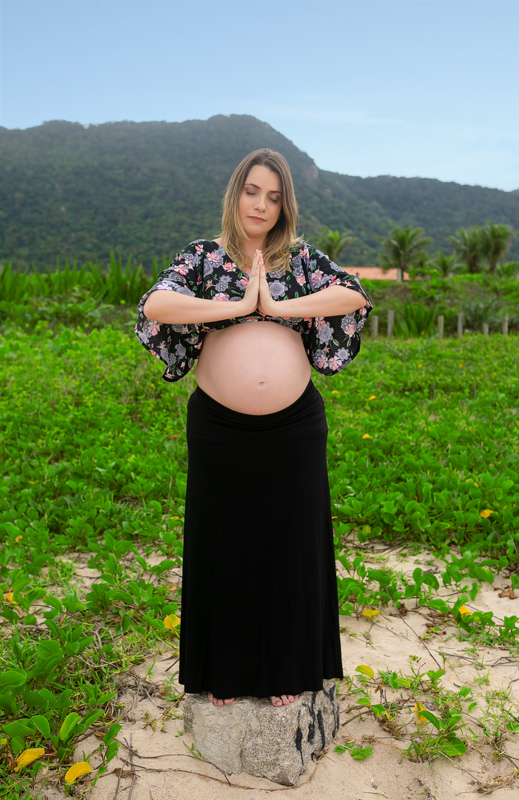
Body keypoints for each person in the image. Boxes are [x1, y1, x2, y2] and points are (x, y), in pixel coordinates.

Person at [135, 148, 373, 709]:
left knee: (291, 543)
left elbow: (355, 295)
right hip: (220, 426)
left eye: (273, 196)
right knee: (225, 542)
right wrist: (238, 303)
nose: (261, 205)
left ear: (284, 204)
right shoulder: (202, 256)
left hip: (294, 426)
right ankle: (222, 669)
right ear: (235, 193)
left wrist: (278, 305)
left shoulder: (301, 260)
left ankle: (291, 667)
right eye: (252, 192)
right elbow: (157, 305)